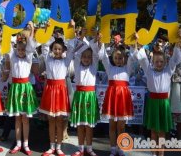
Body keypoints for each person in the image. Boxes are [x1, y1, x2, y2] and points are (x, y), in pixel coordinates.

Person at [134, 33, 181, 156]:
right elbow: (141, 58)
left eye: (161, 61)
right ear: (152, 61)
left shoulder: (168, 70)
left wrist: (179, 40)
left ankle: (161, 154)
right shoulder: (148, 70)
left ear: (165, 62)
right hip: (152, 103)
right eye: (156, 61)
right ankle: (153, 154)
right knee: (153, 132)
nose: (159, 63)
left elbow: (175, 60)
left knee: (162, 133)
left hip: (163, 104)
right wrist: (137, 41)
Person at [91, 32, 134, 156]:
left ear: (124, 59)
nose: (118, 60)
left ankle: (121, 148)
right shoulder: (110, 68)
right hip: (112, 99)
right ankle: (113, 148)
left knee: (121, 126)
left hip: (123, 100)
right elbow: (104, 57)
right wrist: (101, 42)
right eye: (115, 58)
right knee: (112, 126)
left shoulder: (127, 69)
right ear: (113, 58)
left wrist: (132, 44)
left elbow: (132, 58)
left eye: (120, 58)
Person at [39, 20, 75, 156]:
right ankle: (51, 146)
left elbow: (71, 49)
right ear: (53, 50)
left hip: (60, 91)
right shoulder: (48, 59)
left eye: (60, 49)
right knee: (51, 121)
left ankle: (58, 147)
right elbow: (44, 46)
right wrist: (49, 30)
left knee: (59, 121)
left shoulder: (66, 61)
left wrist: (71, 29)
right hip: (50, 91)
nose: (57, 51)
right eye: (55, 49)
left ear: (63, 50)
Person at [6, 21, 38, 155]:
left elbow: (31, 47)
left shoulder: (28, 58)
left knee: (25, 119)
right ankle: (18, 143)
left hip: (25, 89)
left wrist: (32, 30)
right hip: (15, 88)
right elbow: (7, 47)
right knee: (17, 118)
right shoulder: (13, 57)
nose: (21, 51)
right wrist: (5, 29)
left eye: (23, 49)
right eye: (18, 49)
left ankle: (26, 144)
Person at [70, 28, 100, 156]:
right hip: (79, 96)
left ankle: (89, 148)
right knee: (80, 125)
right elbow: (76, 54)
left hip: (90, 97)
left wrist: (95, 38)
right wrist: (81, 38)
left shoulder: (94, 66)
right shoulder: (77, 65)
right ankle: (81, 148)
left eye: (89, 57)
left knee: (89, 125)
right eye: (84, 56)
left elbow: (96, 55)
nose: (86, 59)